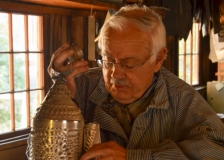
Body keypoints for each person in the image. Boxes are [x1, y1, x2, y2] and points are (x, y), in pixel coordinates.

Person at [48, 4, 224, 160]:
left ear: (158, 60)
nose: (115, 74)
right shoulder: (81, 85)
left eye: (129, 64)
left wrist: (135, 157)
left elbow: (219, 149)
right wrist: (61, 93)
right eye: (108, 61)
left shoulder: (181, 98)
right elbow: (40, 150)